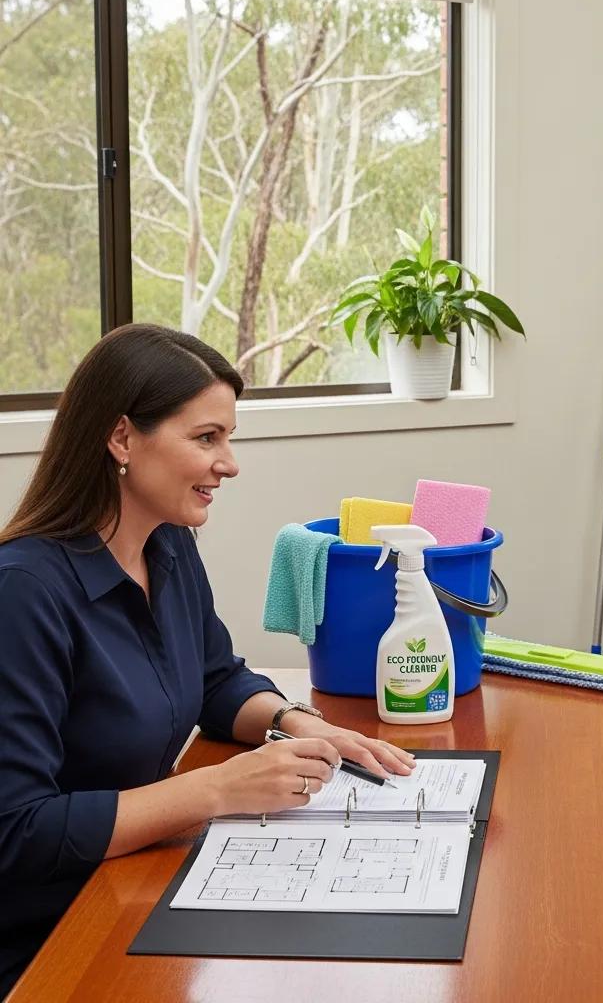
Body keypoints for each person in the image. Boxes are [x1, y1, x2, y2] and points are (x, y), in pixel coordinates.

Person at [0, 324, 415, 995]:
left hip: (136, 889)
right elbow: (17, 830)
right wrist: (217, 790)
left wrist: (298, 722)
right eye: (205, 438)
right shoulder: (23, 593)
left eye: (227, 437)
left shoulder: (166, 546)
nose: (229, 463)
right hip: (52, 943)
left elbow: (214, 681)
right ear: (121, 438)